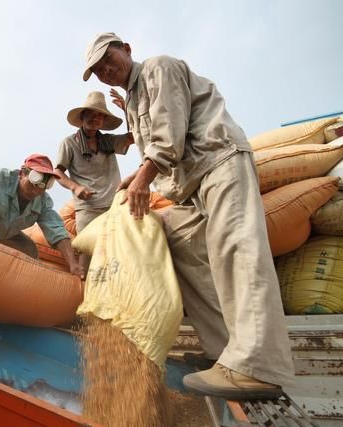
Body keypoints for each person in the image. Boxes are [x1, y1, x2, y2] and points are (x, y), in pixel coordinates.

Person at [82, 32, 294, 399]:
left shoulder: (157, 69)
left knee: (237, 251)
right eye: (98, 70)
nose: (106, 70)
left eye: (108, 60)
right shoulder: (132, 102)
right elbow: (157, 152)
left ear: (127, 50)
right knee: (172, 241)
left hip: (219, 163)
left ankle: (258, 367)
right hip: (191, 188)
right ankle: (224, 351)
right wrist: (134, 178)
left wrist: (144, 177)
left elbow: (169, 137)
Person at [54, 91, 132, 270]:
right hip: (88, 208)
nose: (95, 118)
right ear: (83, 116)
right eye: (90, 114)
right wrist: (75, 187)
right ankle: (85, 291)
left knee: (119, 250)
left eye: (99, 116)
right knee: (87, 254)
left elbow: (135, 137)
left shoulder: (109, 141)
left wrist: (128, 110)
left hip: (114, 205)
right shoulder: (69, 143)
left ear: (103, 121)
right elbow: (57, 172)